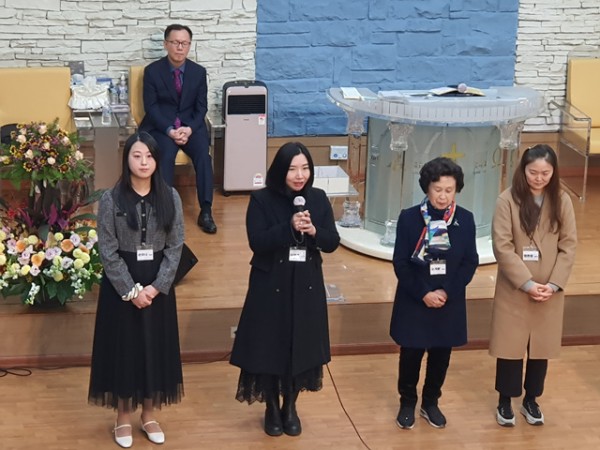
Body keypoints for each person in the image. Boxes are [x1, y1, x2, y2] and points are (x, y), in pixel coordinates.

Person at [230, 142, 340, 437]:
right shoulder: (261, 199)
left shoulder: (318, 198)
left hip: (306, 283)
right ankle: (271, 407)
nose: (299, 175)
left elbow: (332, 242)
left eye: (305, 168)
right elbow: (257, 242)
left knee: (300, 344)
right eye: (292, 169)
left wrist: (314, 231)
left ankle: (290, 406)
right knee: (269, 345)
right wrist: (289, 226)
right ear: (280, 170)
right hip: (270, 284)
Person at [88, 132, 185, 448]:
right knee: (124, 351)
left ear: (157, 160)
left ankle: (149, 415)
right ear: (127, 158)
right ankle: (123, 418)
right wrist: (131, 291)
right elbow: (107, 250)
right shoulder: (111, 199)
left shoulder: (171, 197)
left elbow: (175, 246)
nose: (144, 162)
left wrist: (156, 288)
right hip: (122, 289)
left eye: (149, 156)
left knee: (154, 350)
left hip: (158, 286)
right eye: (137, 156)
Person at [489, 144, 577, 427]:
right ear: (523, 170)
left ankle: (531, 400)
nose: (539, 178)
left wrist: (554, 284)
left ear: (553, 172)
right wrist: (526, 283)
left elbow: (569, 246)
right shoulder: (506, 200)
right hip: (515, 288)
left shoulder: (562, 200)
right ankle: (505, 400)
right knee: (510, 347)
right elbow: (502, 247)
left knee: (541, 348)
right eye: (533, 172)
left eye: (545, 173)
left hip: (549, 290)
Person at [390, 157, 479, 430]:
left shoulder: (465, 219)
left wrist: (446, 292)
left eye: (449, 190)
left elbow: (469, 262)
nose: (443, 196)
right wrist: (424, 293)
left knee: (441, 356)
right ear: (426, 188)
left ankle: (430, 403)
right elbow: (400, 263)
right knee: (411, 355)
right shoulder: (409, 218)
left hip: (448, 301)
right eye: (437, 189)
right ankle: (407, 402)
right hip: (415, 299)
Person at [140, 23, 217, 234]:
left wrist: (189, 129)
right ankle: (165, 212)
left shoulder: (198, 72)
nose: (180, 47)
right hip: (162, 127)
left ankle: (206, 211)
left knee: (203, 156)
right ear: (166, 44)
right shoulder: (152, 71)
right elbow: (151, 107)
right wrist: (169, 130)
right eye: (175, 42)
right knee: (165, 155)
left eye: (184, 43)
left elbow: (201, 107)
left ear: (189, 45)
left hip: (191, 126)